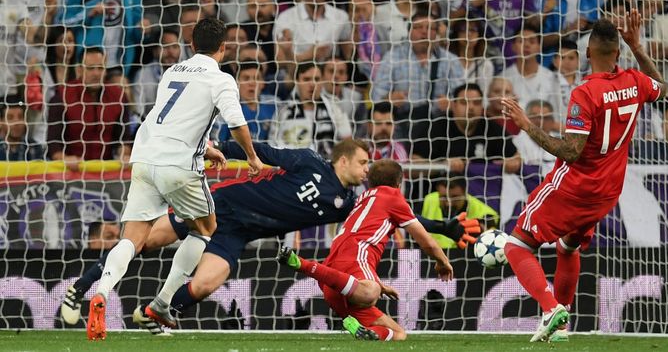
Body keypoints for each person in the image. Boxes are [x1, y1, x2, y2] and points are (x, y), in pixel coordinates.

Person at [62, 140, 480, 332]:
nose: (366, 169)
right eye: (362, 162)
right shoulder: (307, 162)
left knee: (207, 284)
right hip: (220, 205)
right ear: (343, 160)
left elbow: (389, 219)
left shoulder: (346, 202)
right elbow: (259, 150)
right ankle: (80, 287)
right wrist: (216, 147)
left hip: (240, 233)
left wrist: (447, 228)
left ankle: (156, 315)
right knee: (146, 240)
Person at [85, 17, 263, 340]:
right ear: (223, 48)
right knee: (206, 228)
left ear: (191, 45)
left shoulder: (172, 72)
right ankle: (163, 303)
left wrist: (207, 148)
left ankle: (102, 292)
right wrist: (251, 156)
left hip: (144, 157)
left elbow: (171, 119)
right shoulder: (221, 80)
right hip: (179, 166)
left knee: (133, 237)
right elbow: (236, 122)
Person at [500, 10, 667, 342]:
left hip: (574, 185)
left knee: (516, 245)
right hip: (607, 191)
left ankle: (550, 308)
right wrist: (637, 46)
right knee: (568, 246)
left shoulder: (585, 93)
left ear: (588, 53)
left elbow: (572, 152)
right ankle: (560, 328)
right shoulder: (635, 81)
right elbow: (660, 86)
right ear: (618, 53)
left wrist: (526, 124)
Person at [278, 159, 454, 341]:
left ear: (370, 182)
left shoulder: (365, 197)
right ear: (398, 184)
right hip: (353, 260)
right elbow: (427, 243)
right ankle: (302, 264)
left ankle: (365, 332)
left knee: (399, 334)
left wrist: (380, 284)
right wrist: (443, 262)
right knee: (371, 292)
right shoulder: (393, 197)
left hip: (333, 278)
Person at [46, 47, 132, 167]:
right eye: (91, 68)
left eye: (100, 68)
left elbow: (124, 139)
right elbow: (53, 143)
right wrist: (64, 158)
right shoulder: (62, 97)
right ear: (79, 70)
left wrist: (124, 154)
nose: (96, 73)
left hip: (106, 171)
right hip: (71, 171)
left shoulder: (118, 97)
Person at [421, 177, 499, 248]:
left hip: (463, 255)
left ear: (465, 193)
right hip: (431, 253)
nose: (449, 203)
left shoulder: (484, 212)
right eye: (444, 197)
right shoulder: (428, 200)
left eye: (455, 197)